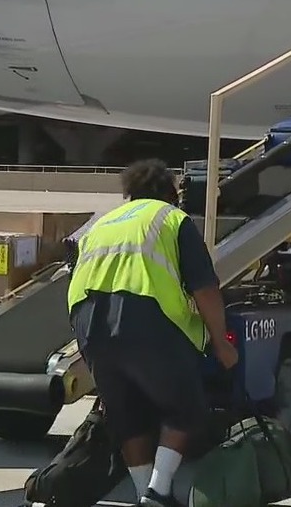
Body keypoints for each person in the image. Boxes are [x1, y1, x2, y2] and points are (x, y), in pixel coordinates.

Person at [66, 158, 239, 507]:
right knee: (184, 407)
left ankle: (145, 493)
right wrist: (221, 342)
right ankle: (159, 491)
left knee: (128, 415)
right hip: (145, 321)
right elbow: (205, 288)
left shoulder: (102, 224)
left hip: (89, 325)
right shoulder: (171, 220)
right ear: (170, 193)